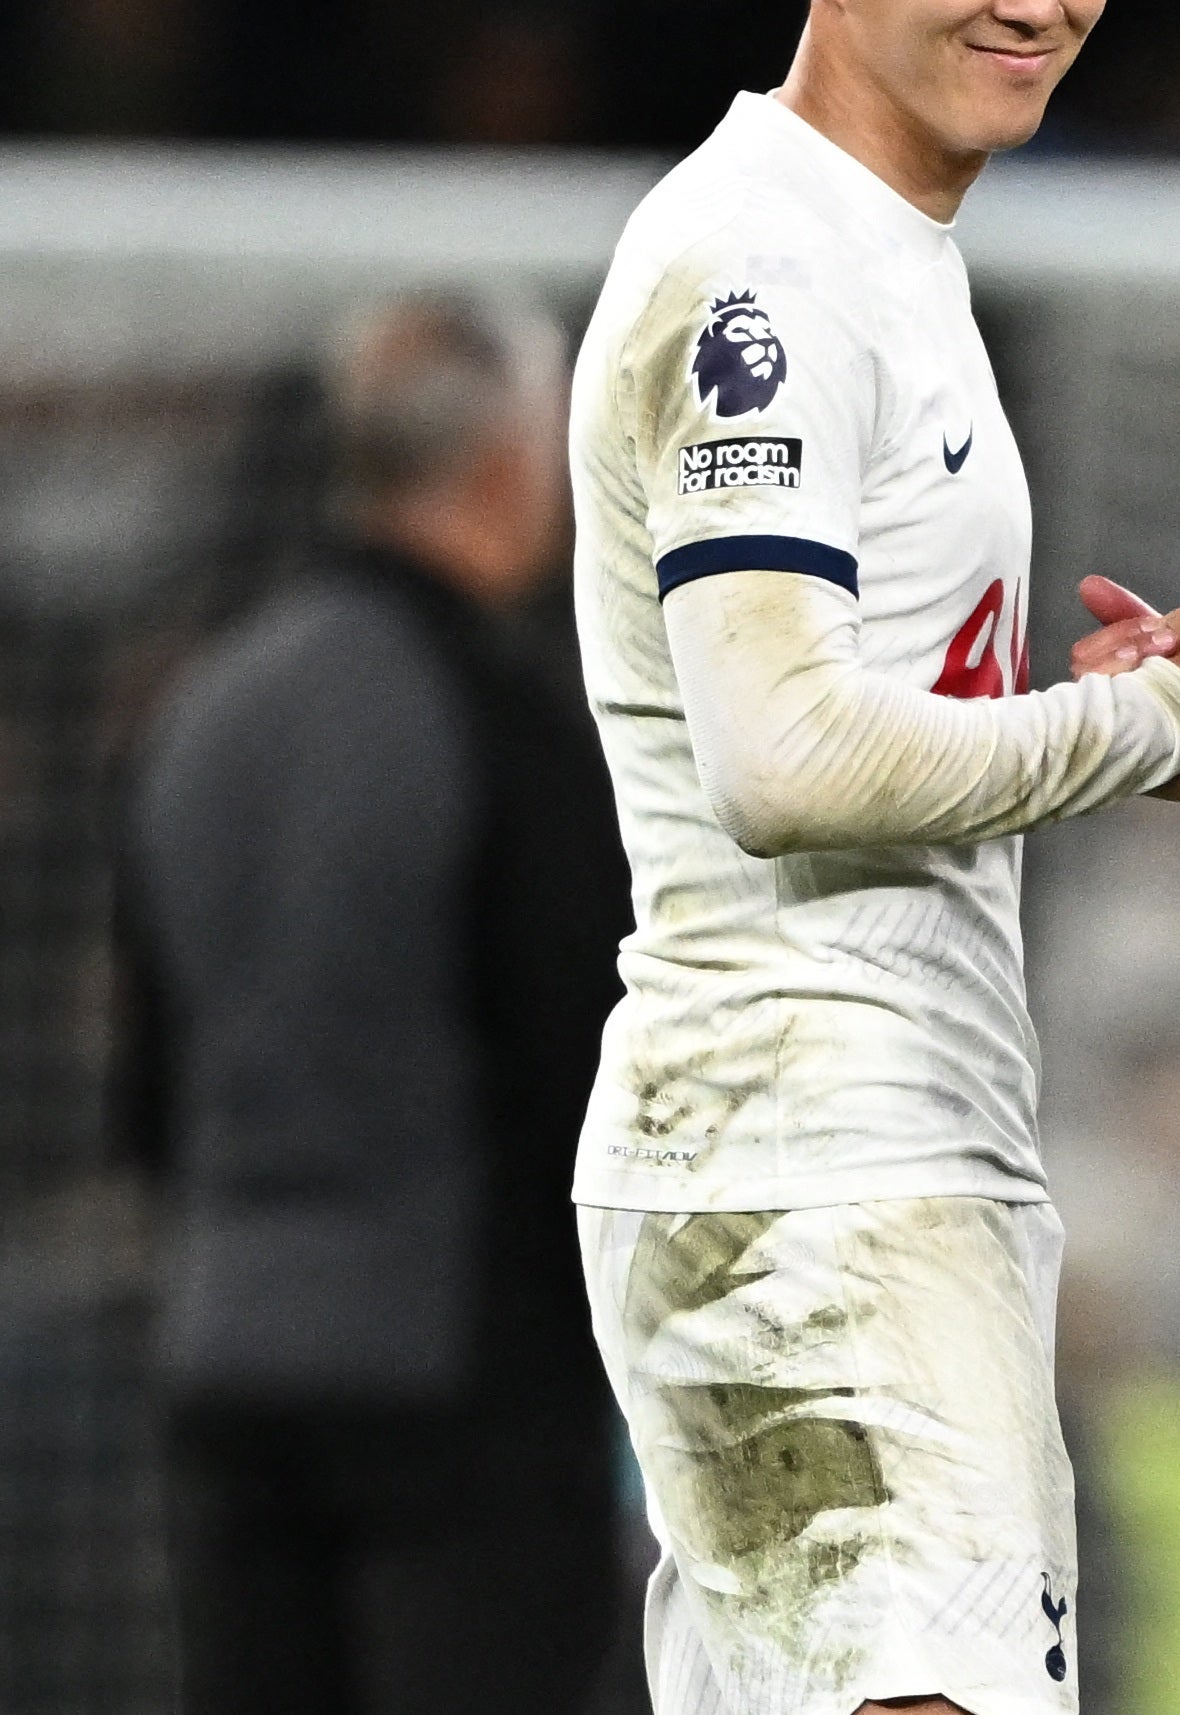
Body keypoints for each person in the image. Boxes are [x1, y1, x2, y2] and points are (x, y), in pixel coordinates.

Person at [564, 0, 1180, 1715]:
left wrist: (1149, 750)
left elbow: (866, 712)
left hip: (838, 1160)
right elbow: (784, 758)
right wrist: (1151, 718)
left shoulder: (885, 250)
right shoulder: (766, 274)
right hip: (812, 1166)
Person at [128, 295, 632, 1715]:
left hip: (227, 1356)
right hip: (458, 1375)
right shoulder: (503, 717)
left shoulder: (203, 708)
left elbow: (150, 1085)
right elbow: (572, 1068)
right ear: (505, 466)